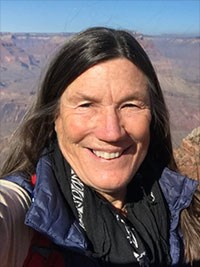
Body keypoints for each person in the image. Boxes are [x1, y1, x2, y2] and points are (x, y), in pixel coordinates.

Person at [0, 27, 199, 267]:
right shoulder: (24, 215)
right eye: (86, 105)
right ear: (55, 117)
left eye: (130, 105)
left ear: (153, 115)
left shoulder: (182, 206)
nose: (112, 132)